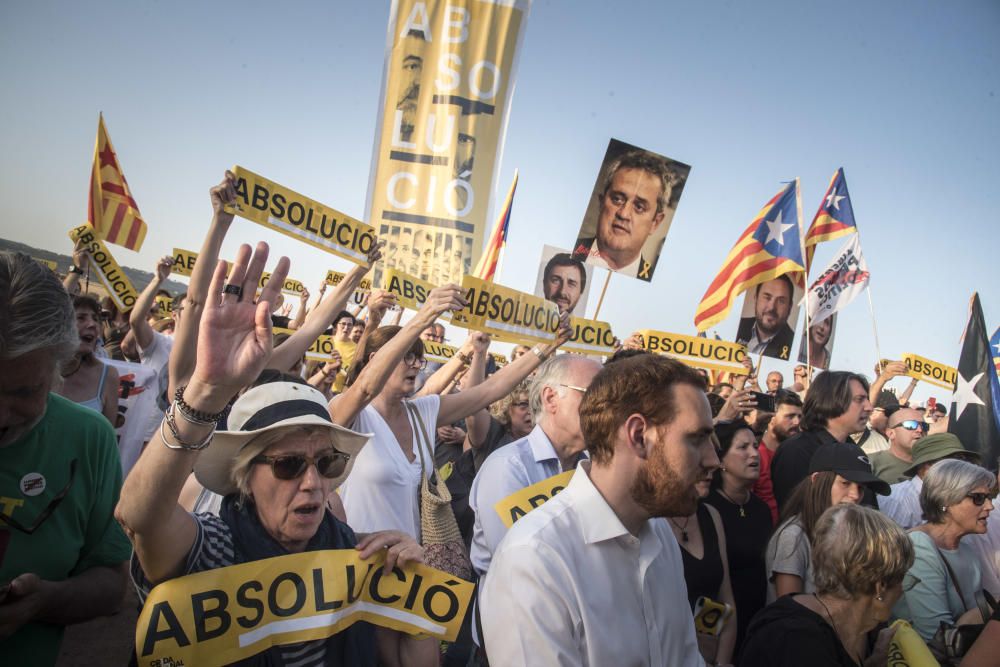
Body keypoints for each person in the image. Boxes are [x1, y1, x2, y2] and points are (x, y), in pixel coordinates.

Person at [116, 242, 422, 665]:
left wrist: (412, 590)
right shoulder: (214, 550)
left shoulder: (353, 555)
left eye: (327, 462)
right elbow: (139, 517)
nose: (313, 483)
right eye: (289, 464)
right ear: (244, 475)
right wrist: (203, 390)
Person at [332, 286, 570, 667]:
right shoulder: (351, 413)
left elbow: (491, 389)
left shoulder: (421, 412)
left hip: (408, 570)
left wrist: (545, 349)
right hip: (357, 572)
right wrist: (424, 316)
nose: (415, 364)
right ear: (378, 358)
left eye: (418, 357)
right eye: (407, 356)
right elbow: (362, 385)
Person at [480, 355, 716, 666]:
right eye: (696, 439)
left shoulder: (660, 534)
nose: (713, 459)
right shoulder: (534, 558)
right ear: (638, 436)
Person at [0, 252, 131, 665]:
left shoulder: (89, 439)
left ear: (60, 370)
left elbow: (112, 584)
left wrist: (44, 601)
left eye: (23, 392)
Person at [469, 354, 602, 576]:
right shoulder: (507, 467)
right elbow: (520, 562)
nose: (605, 408)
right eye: (593, 395)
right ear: (551, 398)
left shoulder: (595, 466)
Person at [742, 504, 914, 667]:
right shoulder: (797, 642)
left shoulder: (859, 632)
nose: (902, 590)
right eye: (903, 579)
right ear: (880, 588)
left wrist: (876, 662)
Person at [766, 443, 890, 603]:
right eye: (845, 483)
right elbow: (789, 612)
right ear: (817, 479)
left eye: (861, 487)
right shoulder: (793, 536)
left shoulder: (850, 531)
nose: (855, 494)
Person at [893, 459, 996, 641]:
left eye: (989, 497)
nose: (990, 506)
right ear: (946, 500)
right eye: (978, 498)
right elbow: (935, 636)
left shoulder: (967, 550)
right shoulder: (919, 547)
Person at [704, 421, 773, 660]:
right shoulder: (707, 510)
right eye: (742, 447)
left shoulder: (761, 509)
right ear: (720, 460)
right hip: (720, 635)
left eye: (755, 445)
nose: (754, 453)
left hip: (759, 628)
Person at [770, 371, 873, 510]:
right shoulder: (796, 451)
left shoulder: (855, 452)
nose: (869, 407)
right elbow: (798, 513)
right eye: (859, 399)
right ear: (831, 400)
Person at [572, 150, 682, 281]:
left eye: (639, 207)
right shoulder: (566, 249)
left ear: (655, 223)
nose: (623, 214)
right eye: (617, 199)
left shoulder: (659, 283)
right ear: (601, 203)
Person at [55, 295, 120, 426]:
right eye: (80, 318)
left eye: (96, 319)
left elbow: (106, 439)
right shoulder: (38, 368)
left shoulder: (108, 376)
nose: (92, 324)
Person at [754, 389, 803, 523]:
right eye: (790, 416)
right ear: (771, 417)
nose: (797, 422)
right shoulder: (755, 454)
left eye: (799, 416)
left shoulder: (799, 453)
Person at [735, 275, 796, 360]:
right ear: (756, 298)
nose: (772, 307)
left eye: (781, 301)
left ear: (790, 307)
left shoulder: (794, 345)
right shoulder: (737, 326)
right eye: (767, 297)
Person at [869, 406, 925, 484]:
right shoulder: (871, 463)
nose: (920, 430)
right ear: (891, 433)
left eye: (924, 426)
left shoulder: (933, 465)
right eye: (911, 425)